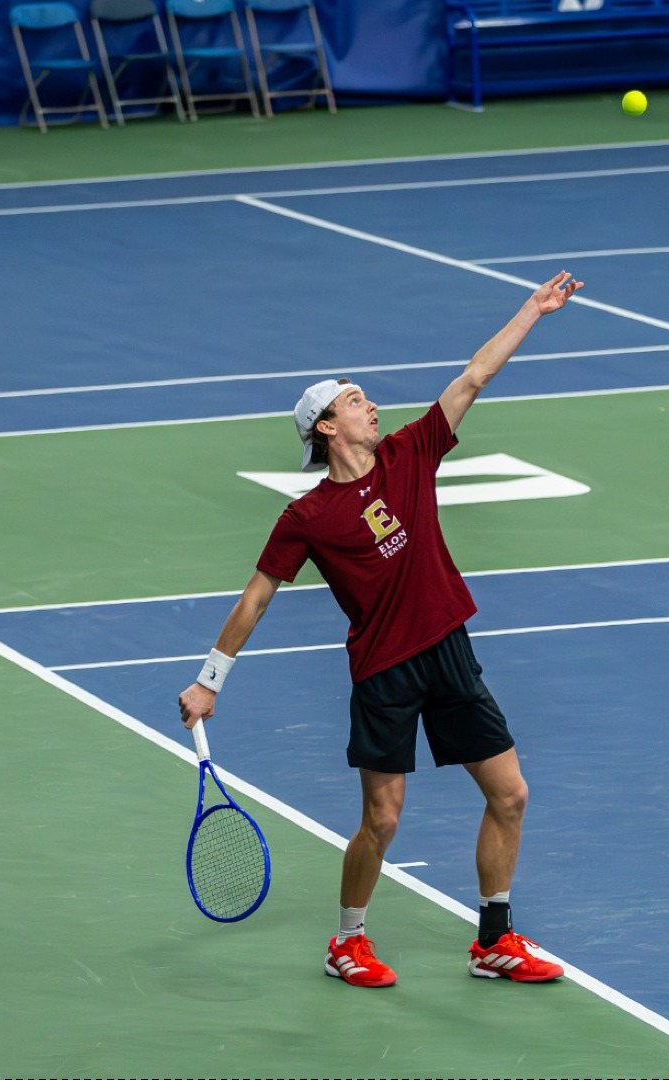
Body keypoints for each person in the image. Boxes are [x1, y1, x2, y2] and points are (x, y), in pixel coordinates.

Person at [178, 270, 586, 988]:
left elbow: (473, 377)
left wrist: (532, 309)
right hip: (385, 671)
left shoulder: (410, 452)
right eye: (355, 400)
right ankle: (347, 942)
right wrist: (210, 681)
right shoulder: (305, 518)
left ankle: (494, 938)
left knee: (510, 793)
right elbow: (256, 597)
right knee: (383, 819)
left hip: (448, 650)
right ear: (325, 428)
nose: (372, 406)